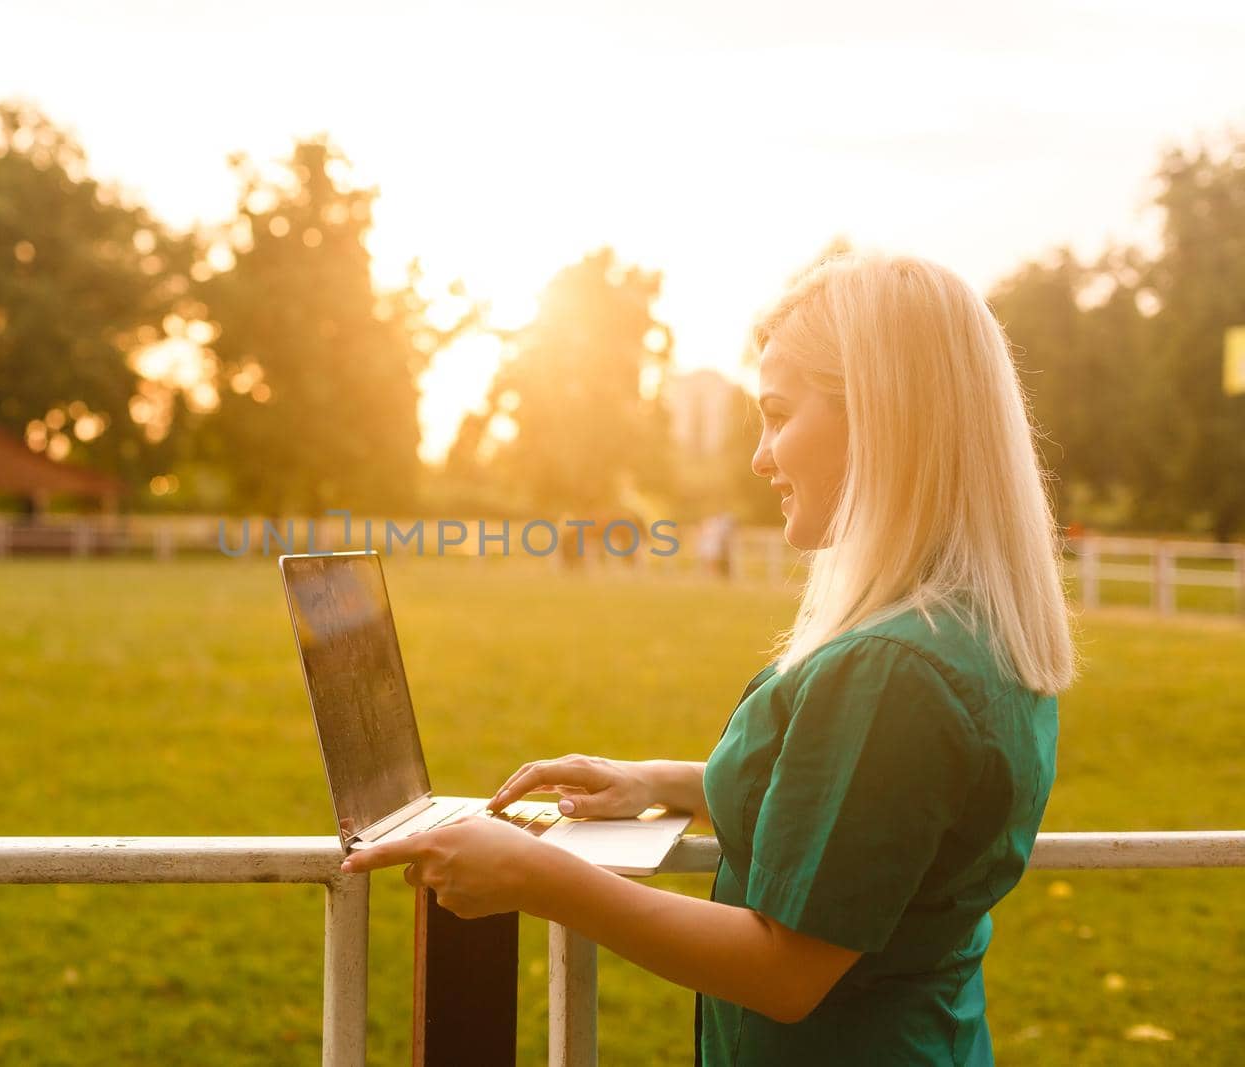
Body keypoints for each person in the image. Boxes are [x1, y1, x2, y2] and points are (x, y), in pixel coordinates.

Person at [341, 253, 1078, 1066]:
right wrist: (663, 781)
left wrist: (535, 875)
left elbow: (784, 968)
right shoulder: (972, 630)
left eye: (778, 414)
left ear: (880, 416)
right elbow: (877, 822)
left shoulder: (894, 671)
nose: (762, 457)